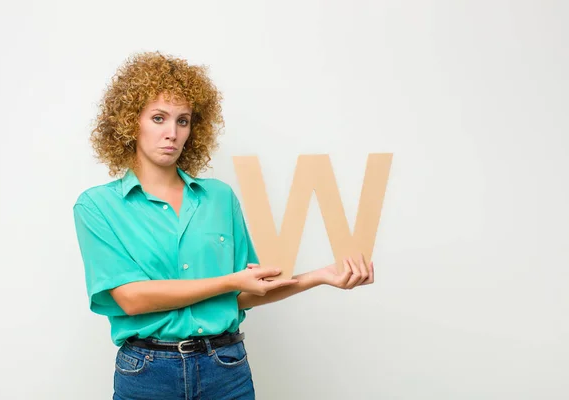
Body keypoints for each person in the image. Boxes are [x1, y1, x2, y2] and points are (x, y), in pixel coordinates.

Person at [73, 51, 374, 400]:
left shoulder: (219, 198)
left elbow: (244, 292)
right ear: (130, 122)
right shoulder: (97, 206)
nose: (172, 133)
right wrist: (230, 281)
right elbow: (132, 298)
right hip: (147, 373)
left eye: (183, 121)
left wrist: (320, 276)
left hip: (225, 369)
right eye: (159, 118)